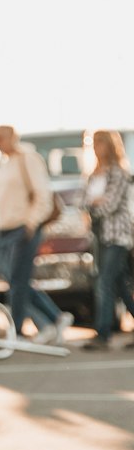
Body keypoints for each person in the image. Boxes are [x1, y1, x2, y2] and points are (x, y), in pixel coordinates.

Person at [0, 125, 72, 344]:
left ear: (13, 136)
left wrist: (31, 223)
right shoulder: (5, 163)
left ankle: (18, 330)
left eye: (2, 137)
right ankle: (55, 317)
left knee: (18, 280)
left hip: (24, 227)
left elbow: (43, 193)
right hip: (3, 230)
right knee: (15, 280)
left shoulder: (27, 158)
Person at [81, 130, 134, 350]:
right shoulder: (94, 175)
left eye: (100, 143)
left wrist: (95, 203)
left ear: (110, 146)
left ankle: (103, 334)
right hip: (100, 235)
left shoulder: (119, 174)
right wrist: (94, 203)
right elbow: (83, 202)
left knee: (104, 282)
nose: (96, 147)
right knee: (120, 285)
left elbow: (110, 205)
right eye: (94, 143)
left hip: (118, 235)